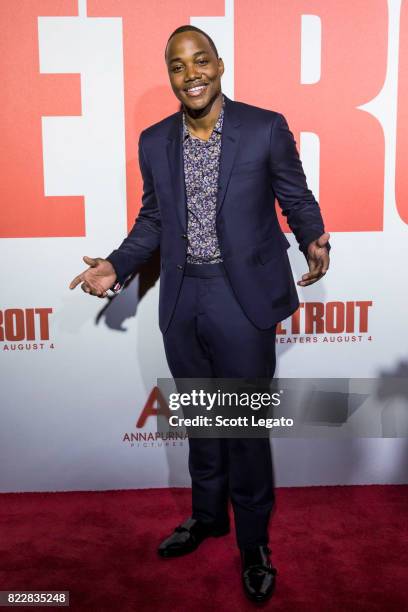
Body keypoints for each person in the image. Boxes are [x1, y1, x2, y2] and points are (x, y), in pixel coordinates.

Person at [69, 24, 330, 603]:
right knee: (202, 423)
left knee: (243, 429)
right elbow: (154, 220)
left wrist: (313, 237)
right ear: (170, 75)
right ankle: (208, 517)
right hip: (184, 298)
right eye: (178, 66)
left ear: (219, 64)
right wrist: (115, 265)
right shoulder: (154, 139)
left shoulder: (263, 127)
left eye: (201, 60)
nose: (191, 75)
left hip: (243, 301)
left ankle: (255, 542)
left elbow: (295, 193)